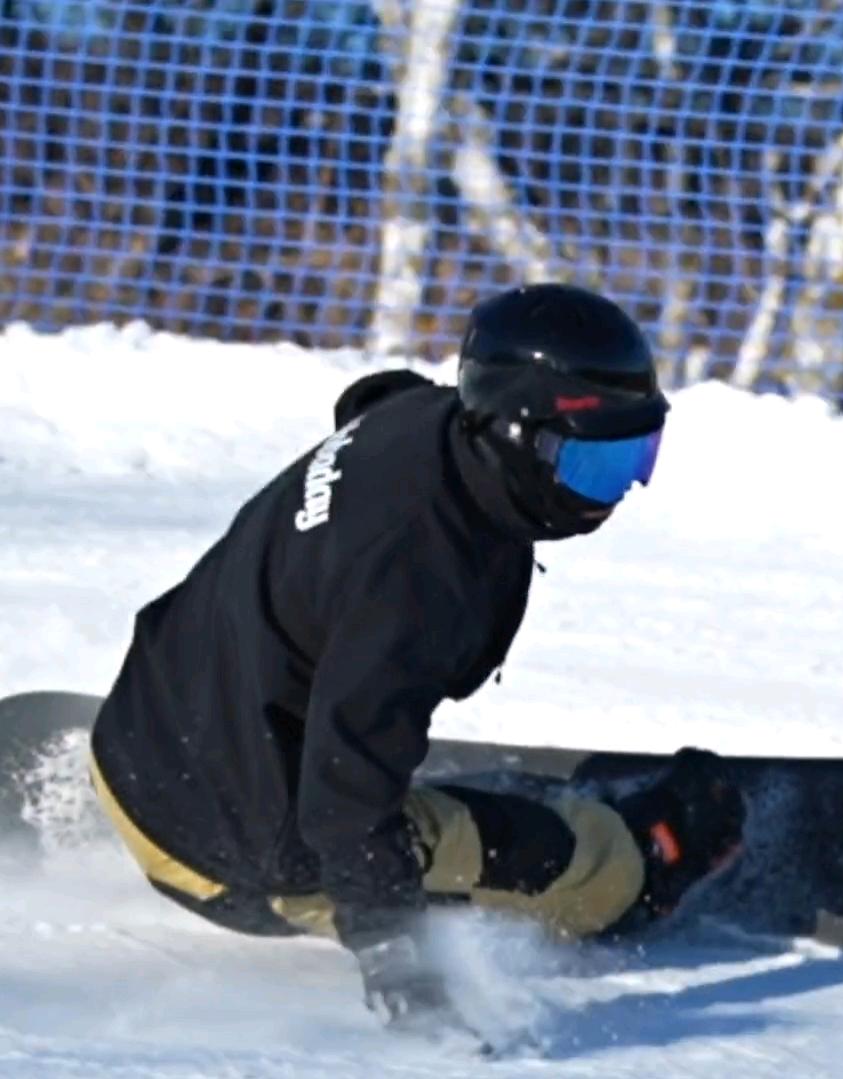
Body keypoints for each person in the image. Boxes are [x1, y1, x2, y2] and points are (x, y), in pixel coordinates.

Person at [89, 283, 744, 1014]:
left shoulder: (424, 420)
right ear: (518, 435)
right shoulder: (413, 582)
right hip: (227, 853)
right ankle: (636, 862)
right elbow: (342, 808)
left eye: (636, 454)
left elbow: (367, 398)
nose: (619, 489)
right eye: (595, 464)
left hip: (138, 725)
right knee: (511, 846)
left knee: (361, 734)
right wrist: (396, 957)